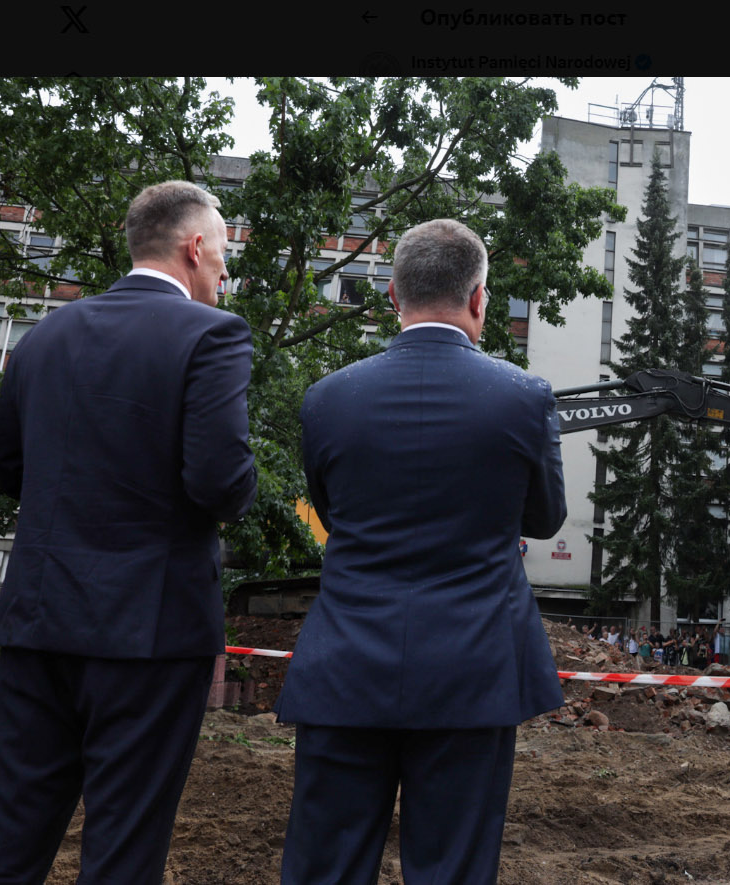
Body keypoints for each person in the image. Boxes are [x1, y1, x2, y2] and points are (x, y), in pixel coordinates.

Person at [0, 180, 256, 885]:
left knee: (3, 840)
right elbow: (220, 482)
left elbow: (12, 468)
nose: (224, 269)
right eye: (222, 252)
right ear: (194, 246)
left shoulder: (44, 337)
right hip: (150, 635)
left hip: (40, 620)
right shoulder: (214, 334)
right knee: (124, 847)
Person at [276, 219, 566, 885]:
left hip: (345, 666)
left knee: (325, 866)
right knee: (453, 869)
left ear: (391, 296)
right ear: (478, 298)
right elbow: (546, 518)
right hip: (473, 672)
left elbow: (330, 513)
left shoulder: (326, 399)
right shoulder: (525, 397)